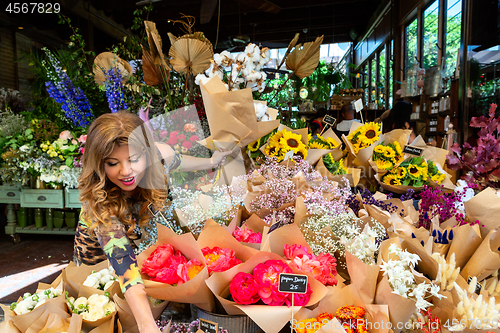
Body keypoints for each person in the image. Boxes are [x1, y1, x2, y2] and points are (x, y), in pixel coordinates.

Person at [74, 111, 231, 333]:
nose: (126, 171)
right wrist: (148, 327)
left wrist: (211, 161)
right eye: (112, 163)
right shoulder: (99, 207)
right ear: (99, 164)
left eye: (134, 159)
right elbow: (125, 269)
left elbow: (177, 161)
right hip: (101, 278)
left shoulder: (159, 156)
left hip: (140, 262)